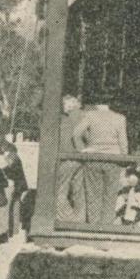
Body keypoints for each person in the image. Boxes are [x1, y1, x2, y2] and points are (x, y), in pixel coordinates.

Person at [73, 100, 129, 224]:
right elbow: (123, 143)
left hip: (94, 159)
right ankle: (106, 227)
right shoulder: (120, 118)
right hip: (113, 160)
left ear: (97, 103)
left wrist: (82, 150)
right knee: (110, 196)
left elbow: (76, 134)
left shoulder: (90, 115)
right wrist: (124, 160)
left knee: (93, 195)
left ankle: (94, 226)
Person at [57, 95, 87, 223]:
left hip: (67, 158)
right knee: (78, 191)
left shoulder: (63, 120)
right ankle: (80, 219)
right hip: (81, 158)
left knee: (59, 190)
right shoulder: (84, 117)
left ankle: (67, 218)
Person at [1, 143, 29, 236]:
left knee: (10, 208)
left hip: (16, 186)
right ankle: (15, 230)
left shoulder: (11, 156)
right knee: (16, 207)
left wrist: (2, 171)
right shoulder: (16, 156)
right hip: (21, 185)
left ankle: (11, 230)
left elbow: (11, 170)